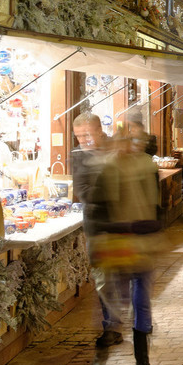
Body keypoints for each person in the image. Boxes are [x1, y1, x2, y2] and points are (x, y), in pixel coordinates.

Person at [91, 125, 165, 365]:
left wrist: (152, 227)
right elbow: (97, 215)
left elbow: (156, 207)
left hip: (141, 247)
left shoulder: (145, 166)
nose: (126, 145)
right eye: (121, 140)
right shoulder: (106, 170)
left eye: (130, 140)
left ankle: (142, 364)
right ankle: (104, 354)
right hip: (116, 247)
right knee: (115, 303)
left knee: (141, 302)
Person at [70, 112, 119, 348]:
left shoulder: (118, 150)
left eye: (88, 134)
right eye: (79, 136)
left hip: (122, 224)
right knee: (103, 279)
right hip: (97, 226)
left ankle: (134, 322)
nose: (84, 140)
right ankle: (111, 326)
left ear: (100, 130)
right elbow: (83, 191)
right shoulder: (78, 156)